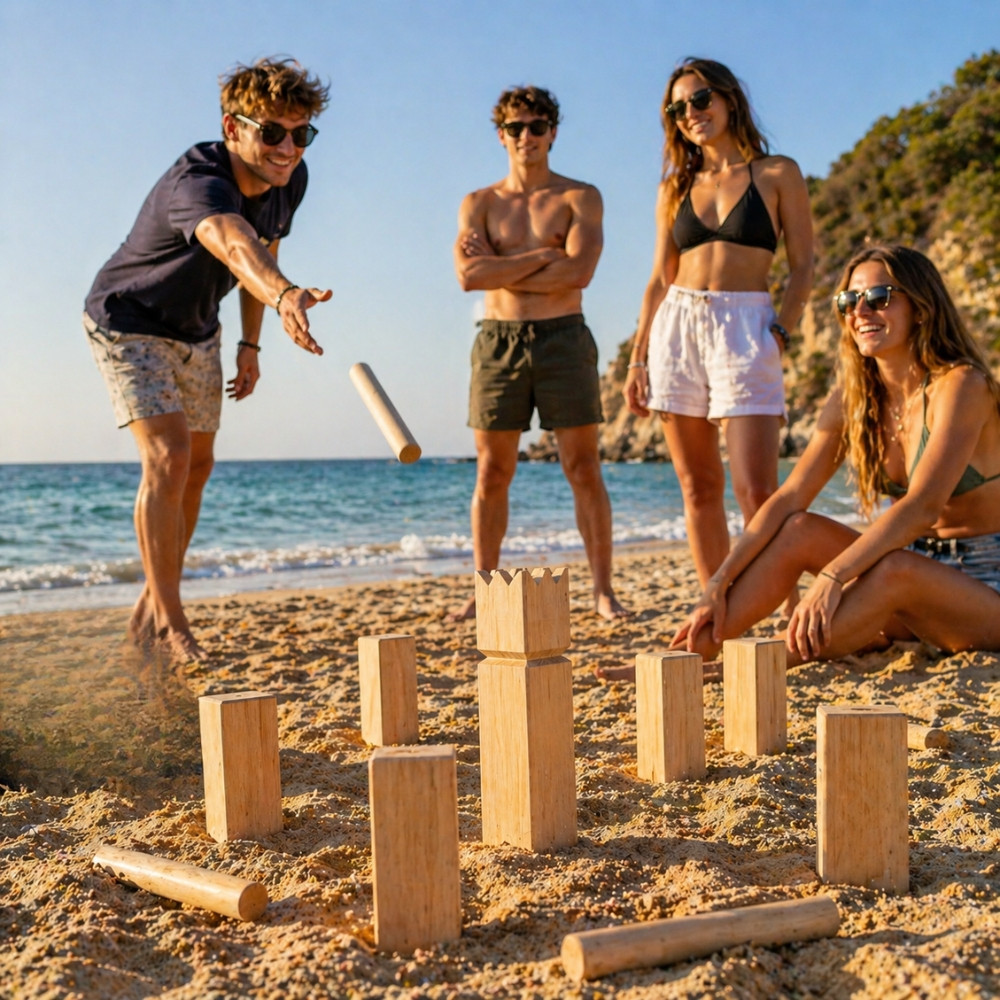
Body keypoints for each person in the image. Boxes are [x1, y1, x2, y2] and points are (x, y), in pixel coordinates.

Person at [84, 57, 331, 662]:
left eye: (301, 133)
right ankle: (171, 623)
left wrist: (252, 343)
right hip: (129, 320)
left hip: (199, 329)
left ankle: (151, 602)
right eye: (272, 132)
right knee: (168, 457)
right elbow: (234, 242)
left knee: (197, 465)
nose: (288, 148)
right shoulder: (199, 182)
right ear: (232, 128)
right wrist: (284, 295)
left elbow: (265, 248)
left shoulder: (290, 179)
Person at [672, 244, 1000, 669]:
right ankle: (684, 658)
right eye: (849, 301)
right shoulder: (856, 399)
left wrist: (833, 576)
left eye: (879, 297)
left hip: (985, 585)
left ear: (921, 308)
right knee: (799, 530)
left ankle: (745, 668)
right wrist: (718, 582)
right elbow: (790, 497)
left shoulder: (962, 385)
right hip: (912, 580)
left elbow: (923, 507)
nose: (860, 311)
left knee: (893, 570)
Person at [449, 85, 629, 622]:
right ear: (500, 135)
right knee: (492, 472)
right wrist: (544, 256)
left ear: (552, 132)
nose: (526, 136)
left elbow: (580, 272)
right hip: (497, 341)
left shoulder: (580, 197)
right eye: (515, 127)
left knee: (583, 467)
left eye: (536, 126)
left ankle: (602, 591)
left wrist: (502, 266)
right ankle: (484, 589)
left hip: (564, 338)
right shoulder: (479, 203)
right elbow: (468, 277)